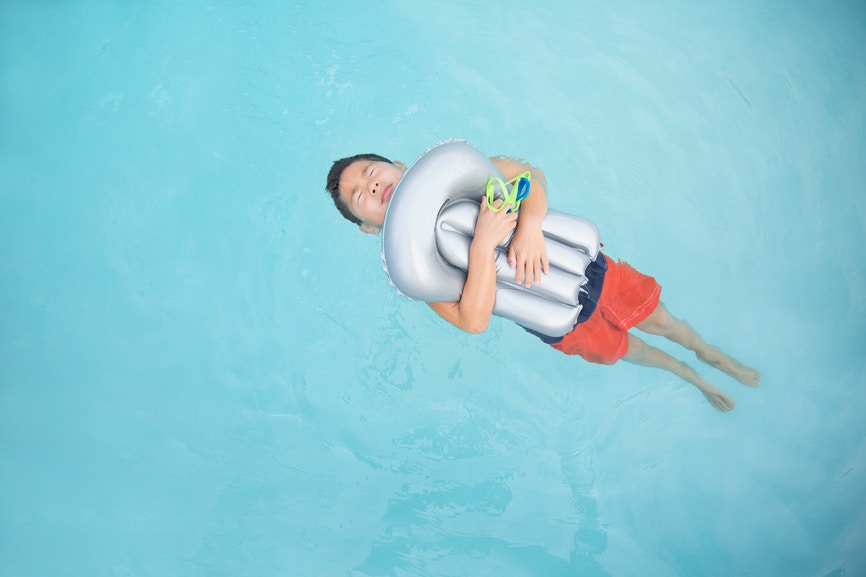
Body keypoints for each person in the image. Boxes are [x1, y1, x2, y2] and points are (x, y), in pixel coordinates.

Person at [325, 150, 760, 411]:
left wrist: (529, 225)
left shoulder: (464, 172)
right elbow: (473, 322)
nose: (372, 185)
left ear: (398, 165)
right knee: (633, 350)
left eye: (370, 171)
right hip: (563, 323)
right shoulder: (421, 273)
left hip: (596, 271)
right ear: (368, 227)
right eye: (359, 196)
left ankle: (709, 354)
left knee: (662, 322)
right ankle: (691, 376)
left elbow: (530, 175)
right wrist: (482, 247)